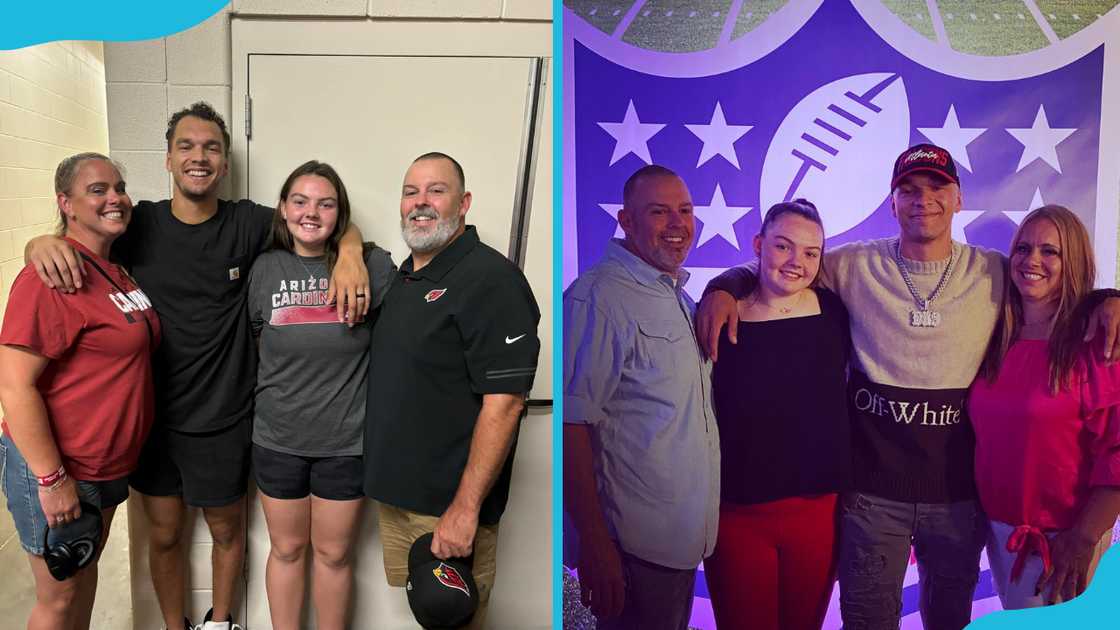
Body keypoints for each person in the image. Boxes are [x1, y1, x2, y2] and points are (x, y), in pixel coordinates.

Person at [697, 143, 1120, 630]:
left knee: (949, 620)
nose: (924, 199)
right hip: (872, 492)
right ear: (891, 201)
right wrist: (723, 287)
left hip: (957, 498)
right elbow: (786, 265)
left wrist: (1105, 300)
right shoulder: (851, 265)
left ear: (959, 199)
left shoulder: (996, 272)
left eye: (938, 187)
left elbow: (1056, 286)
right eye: (909, 189)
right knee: (867, 621)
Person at [23, 102, 371, 630]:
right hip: (151, 422)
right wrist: (39, 242)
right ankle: (174, 624)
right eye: (186, 146)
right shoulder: (140, 225)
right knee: (163, 536)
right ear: (168, 159)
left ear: (225, 163)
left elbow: (322, 220)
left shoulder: (249, 223)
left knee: (228, 533)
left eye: (211, 147)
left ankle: (220, 621)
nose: (198, 157)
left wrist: (350, 254)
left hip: (226, 417)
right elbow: (82, 237)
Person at [363, 152, 540, 630]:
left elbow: (504, 403)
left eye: (435, 191)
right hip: (401, 501)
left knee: (455, 620)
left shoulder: (491, 281)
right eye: (410, 192)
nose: (420, 203)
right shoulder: (408, 276)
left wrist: (464, 510)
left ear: (464, 203)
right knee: (423, 615)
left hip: (449, 509)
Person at [0, 153, 160, 630]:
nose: (115, 198)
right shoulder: (50, 277)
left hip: (106, 463)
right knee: (59, 602)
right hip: (60, 469)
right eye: (98, 190)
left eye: (119, 187)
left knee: (81, 587)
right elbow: (13, 383)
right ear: (65, 202)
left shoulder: (111, 267)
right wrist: (52, 481)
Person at [563, 164, 720, 630]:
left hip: (678, 543)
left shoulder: (677, 296)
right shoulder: (599, 299)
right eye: (659, 212)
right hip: (631, 551)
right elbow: (571, 427)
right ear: (626, 221)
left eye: (685, 210)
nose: (678, 224)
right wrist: (594, 543)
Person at [247, 161, 394, 630]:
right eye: (300, 201)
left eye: (325, 203)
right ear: (283, 209)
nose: (312, 212)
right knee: (286, 549)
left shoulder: (372, 265)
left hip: (345, 444)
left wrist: (350, 251)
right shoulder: (264, 268)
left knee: (333, 555)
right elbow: (255, 342)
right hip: (277, 439)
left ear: (340, 213)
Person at [705, 199, 850, 630]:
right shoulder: (719, 313)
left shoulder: (836, 311)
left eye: (810, 253)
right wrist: (722, 287)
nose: (796, 262)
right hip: (737, 516)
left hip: (817, 514)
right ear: (758, 244)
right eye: (783, 247)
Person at [970, 205, 1120, 609]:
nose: (1032, 260)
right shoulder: (994, 333)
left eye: (1049, 251)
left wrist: (1084, 537)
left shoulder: (1098, 342)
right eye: (1023, 248)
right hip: (1000, 533)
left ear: (1073, 260)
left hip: (1066, 540)